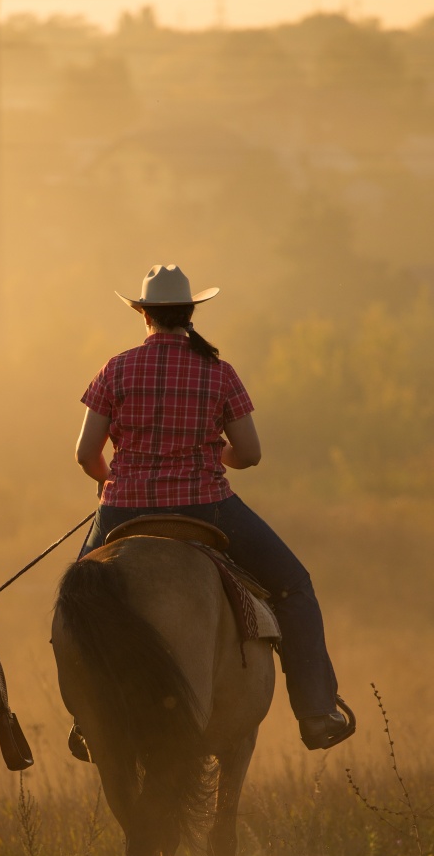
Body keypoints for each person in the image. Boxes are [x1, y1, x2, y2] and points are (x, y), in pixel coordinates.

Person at [74, 263, 353, 752]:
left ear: (144, 314)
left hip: (123, 509)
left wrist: (110, 484)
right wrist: (213, 455)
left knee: (77, 602)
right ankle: (315, 712)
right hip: (208, 507)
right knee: (293, 586)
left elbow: (85, 454)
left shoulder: (114, 369)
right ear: (190, 314)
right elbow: (251, 454)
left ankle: (86, 721)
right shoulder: (220, 372)